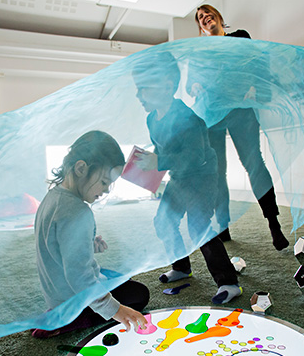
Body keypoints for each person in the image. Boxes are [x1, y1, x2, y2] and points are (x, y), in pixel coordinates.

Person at [132, 52, 242, 305]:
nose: (139, 95)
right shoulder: (151, 119)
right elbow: (162, 150)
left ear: (167, 85)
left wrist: (159, 161)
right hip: (179, 177)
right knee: (163, 221)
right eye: (137, 89)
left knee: (198, 227)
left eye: (144, 88)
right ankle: (181, 267)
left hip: (202, 177)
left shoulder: (189, 119)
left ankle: (228, 282)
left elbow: (195, 156)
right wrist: (151, 175)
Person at [32, 130, 149, 338]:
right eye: (104, 182)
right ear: (80, 168)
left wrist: (87, 244)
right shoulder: (78, 212)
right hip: (73, 299)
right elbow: (79, 276)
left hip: (56, 292)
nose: (107, 190)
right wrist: (116, 311)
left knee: (122, 278)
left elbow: (55, 243)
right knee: (139, 294)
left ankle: (61, 313)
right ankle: (67, 321)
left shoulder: (53, 197)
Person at [193, 4, 289, 251]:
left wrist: (256, 87)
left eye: (208, 13)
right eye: (201, 17)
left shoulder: (240, 37)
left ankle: (274, 223)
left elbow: (258, 64)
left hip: (240, 110)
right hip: (212, 115)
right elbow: (192, 81)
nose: (205, 17)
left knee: (254, 163)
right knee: (217, 172)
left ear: (218, 17)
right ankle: (222, 225)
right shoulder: (201, 51)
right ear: (201, 27)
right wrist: (194, 86)